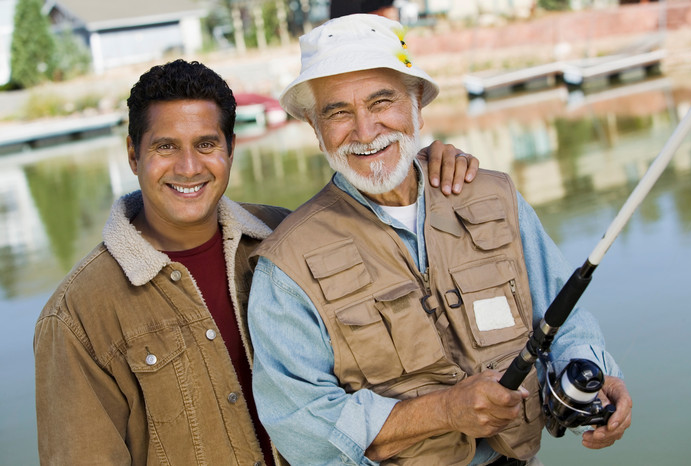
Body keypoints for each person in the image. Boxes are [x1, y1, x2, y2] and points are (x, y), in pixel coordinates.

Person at [33, 58, 479, 465]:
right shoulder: (75, 316)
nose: (188, 167)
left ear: (231, 148)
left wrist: (426, 166)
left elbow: (390, 211)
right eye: (165, 147)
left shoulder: (289, 240)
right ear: (134, 155)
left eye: (206, 143)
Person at [247, 14, 633, 466]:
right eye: (338, 113)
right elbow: (302, 428)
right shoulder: (286, 265)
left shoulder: (495, 194)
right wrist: (444, 412)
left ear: (417, 107)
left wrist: (595, 372)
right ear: (315, 129)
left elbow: (562, 318)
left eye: (382, 102)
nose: (366, 130)